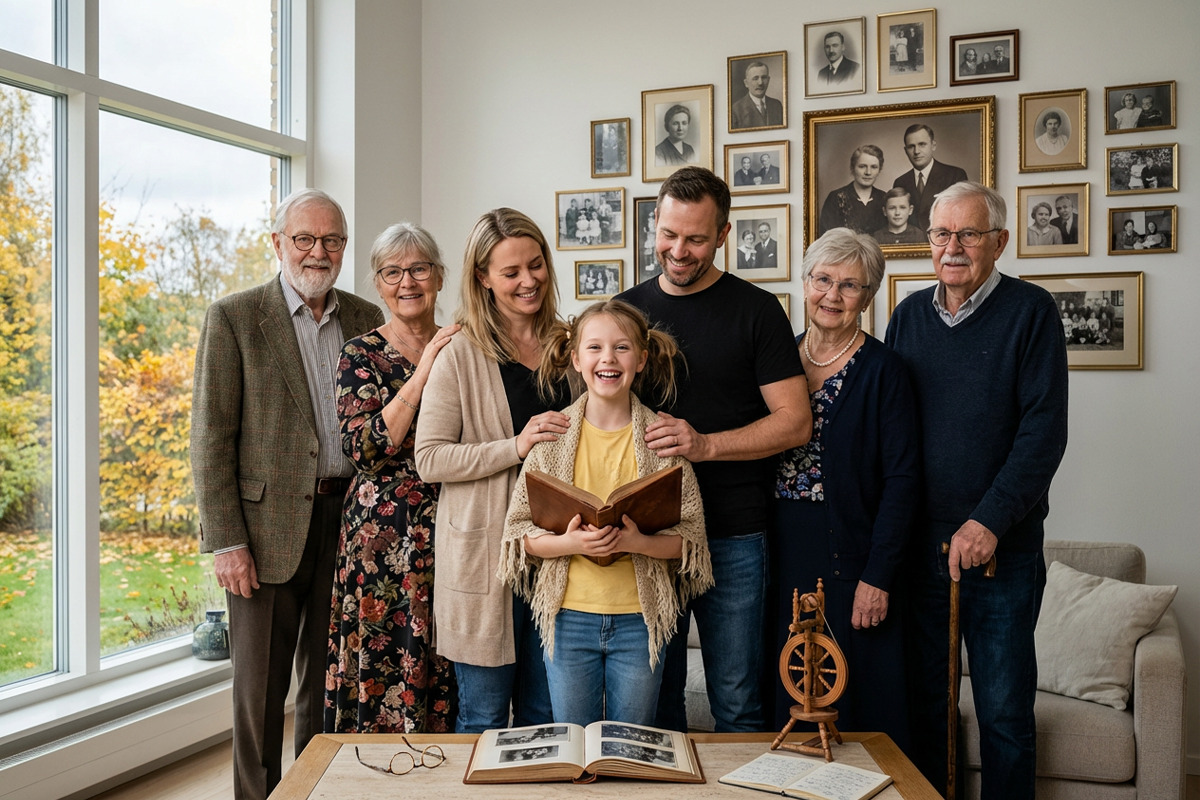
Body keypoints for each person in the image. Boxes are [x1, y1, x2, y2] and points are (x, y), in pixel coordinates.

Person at [191, 189, 385, 800]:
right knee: (259, 691)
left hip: (348, 519)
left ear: (344, 247)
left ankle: (313, 789)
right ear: (278, 244)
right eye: (304, 238)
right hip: (264, 528)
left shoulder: (364, 317)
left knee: (327, 683)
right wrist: (227, 541)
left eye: (331, 240)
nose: (317, 251)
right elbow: (210, 438)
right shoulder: (235, 317)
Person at [885, 181, 1069, 800]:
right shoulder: (908, 315)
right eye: (941, 234)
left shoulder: (1031, 311)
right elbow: (892, 430)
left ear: (1000, 242)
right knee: (926, 710)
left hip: (1001, 555)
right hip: (921, 554)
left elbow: (1043, 434)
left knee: (1005, 715)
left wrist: (988, 522)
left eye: (969, 234)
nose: (953, 246)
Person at [616, 166, 810, 732]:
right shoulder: (626, 312)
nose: (679, 250)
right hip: (649, 536)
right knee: (655, 706)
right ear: (654, 223)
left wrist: (705, 445)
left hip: (734, 536)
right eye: (669, 234)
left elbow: (795, 423)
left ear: (724, 235)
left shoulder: (758, 311)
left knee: (737, 702)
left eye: (696, 238)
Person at [499, 300, 714, 726]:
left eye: (621, 348)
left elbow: (691, 542)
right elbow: (519, 535)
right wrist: (571, 543)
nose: (608, 359)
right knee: (573, 742)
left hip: (640, 620)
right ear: (576, 359)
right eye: (594, 348)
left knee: (629, 746)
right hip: (567, 618)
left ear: (642, 358)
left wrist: (638, 542)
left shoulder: (663, 442)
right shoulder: (550, 439)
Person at [414, 208, 568, 733]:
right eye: (511, 272)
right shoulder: (460, 352)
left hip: (557, 559)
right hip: (485, 562)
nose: (529, 281)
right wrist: (515, 446)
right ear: (482, 277)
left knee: (546, 720)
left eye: (537, 264)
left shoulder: (568, 346)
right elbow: (429, 458)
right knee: (482, 718)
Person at [772, 227, 920, 750]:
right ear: (805, 282)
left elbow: (904, 481)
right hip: (783, 550)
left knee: (855, 699)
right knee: (791, 688)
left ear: (869, 295)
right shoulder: (777, 360)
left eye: (850, 286)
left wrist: (877, 575)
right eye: (823, 280)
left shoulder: (885, 371)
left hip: (852, 556)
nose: (832, 295)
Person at [325, 223, 459, 734]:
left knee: (449, 660)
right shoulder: (359, 354)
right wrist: (424, 370)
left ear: (440, 277)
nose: (407, 282)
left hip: (453, 526)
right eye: (392, 272)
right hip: (382, 541)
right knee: (386, 664)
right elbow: (364, 449)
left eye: (419, 269)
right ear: (378, 284)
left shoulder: (464, 345)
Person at [892, 123, 969, 232]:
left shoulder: (955, 175)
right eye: (911, 146)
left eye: (922, 144)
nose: (916, 151)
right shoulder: (900, 182)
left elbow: (963, 217)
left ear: (933, 145)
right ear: (905, 150)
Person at [819, 144, 887, 236]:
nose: (868, 172)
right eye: (862, 166)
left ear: (879, 170)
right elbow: (827, 238)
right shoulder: (836, 198)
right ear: (853, 168)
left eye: (874, 167)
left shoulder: (884, 198)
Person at [731, 60, 784, 130]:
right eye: (755, 78)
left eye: (764, 77)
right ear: (746, 83)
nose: (760, 83)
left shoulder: (777, 105)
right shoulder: (736, 110)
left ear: (768, 80)